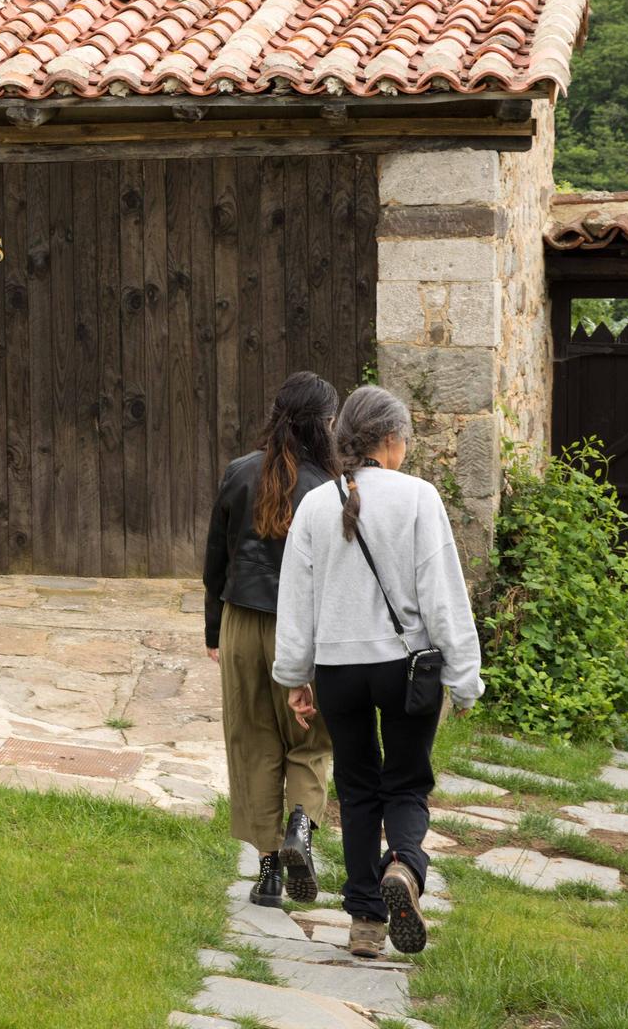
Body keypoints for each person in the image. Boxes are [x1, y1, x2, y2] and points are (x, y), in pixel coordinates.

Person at [271, 384, 483, 959]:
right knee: (408, 781)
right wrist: (464, 675)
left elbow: (296, 598)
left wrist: (295, 675)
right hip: (405, 669)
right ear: (390, 440)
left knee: (358, 788)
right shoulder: (418, 499)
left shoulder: (316, 503)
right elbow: (443, 598)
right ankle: (406, 870)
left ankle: (365, 920)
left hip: (339, 671)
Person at [202, 371, 339, 909]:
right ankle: (300, 830)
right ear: (323, 426)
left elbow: (216, 562)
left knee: (253, 742)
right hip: (302, 628)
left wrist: (214, 631)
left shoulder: (238, 473)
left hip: (241, 623)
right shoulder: (330, 488)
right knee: (310, 739)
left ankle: (268, 876)